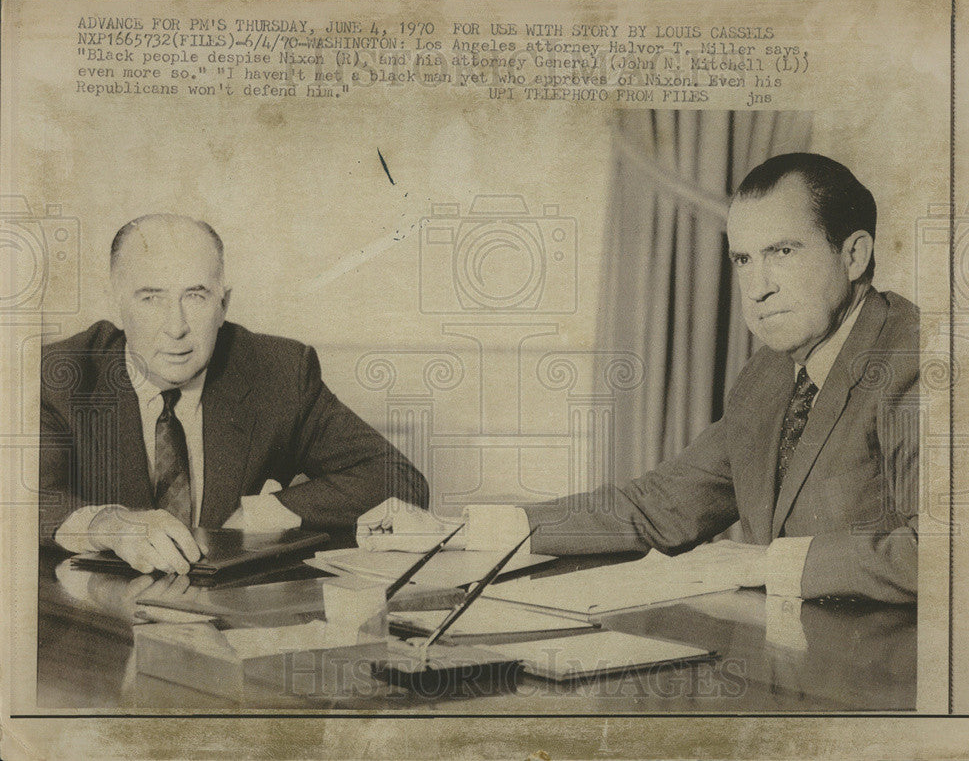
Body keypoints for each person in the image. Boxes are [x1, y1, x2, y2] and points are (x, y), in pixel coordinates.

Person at [356, 153, 920, 603]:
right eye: (743, 260)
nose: (757, 287)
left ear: (854, 255)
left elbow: (955, 555)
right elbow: (655, 507)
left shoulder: (920, 358)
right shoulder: (770, 373)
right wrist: (454, 531)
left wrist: (764, 563)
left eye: (782, 252)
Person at [40, 214, 429, 574]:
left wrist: (271, 511)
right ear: (115, 302)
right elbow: (19, 495)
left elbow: (398, 479)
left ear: (224, 304)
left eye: (195, 296)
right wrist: (106, 525)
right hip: (104, 626)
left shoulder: (277, 372)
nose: (176, 327)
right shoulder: (61, 375)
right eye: (151, 297)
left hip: (227, 622)